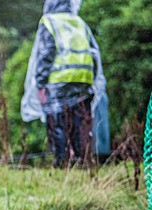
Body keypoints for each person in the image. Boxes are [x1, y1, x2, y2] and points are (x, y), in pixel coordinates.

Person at [21, 0, 108, 168]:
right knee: (80, 120)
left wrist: (40, 84)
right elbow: (93, 52)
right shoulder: (79, 22)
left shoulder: (50, 22)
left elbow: (45, 54)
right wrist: (94, 80)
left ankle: (62, 162)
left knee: (57, 120)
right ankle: (83, 161)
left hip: (59, 79)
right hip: (84, 78)